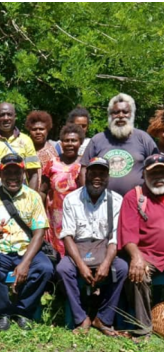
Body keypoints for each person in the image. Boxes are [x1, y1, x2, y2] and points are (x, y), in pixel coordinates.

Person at [0, 154, 53, 332]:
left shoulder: (33, 197)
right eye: (7, 172)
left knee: (44, 268)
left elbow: (39, 232)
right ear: (0, 175)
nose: (12, 177)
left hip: (26, 249)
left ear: (23, 173)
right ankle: (2, 313)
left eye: (16, 172)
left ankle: (23, 311)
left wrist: (25, 263)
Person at [57, 157, 127, 336]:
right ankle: (81, 318)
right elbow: (68, 236)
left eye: (102, 173)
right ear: (85, 175)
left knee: (121, 268)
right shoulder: (72, 199)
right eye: (93, 173)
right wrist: (81, 265)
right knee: (64, 268)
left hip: (103, 249)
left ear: (108, 177)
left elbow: (114, 239)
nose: (97, 177)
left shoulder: (116, 201)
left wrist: (105, 265)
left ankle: (103, 318)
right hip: (79, 249)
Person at [118, 153, 164, 338]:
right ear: (144, 174)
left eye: (162, 172)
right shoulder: (135, 196)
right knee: (139, 274)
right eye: (154, 173)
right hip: (148, 256)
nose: (159, 177)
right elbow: (127, 234)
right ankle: (143, 329)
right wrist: (136, 257)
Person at [80, 93, 158, 195]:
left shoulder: (143, 138)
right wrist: (86, 197)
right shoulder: (98, 139)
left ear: (132, 114)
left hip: (136, 204)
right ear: (110, 115)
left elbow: (157, 167)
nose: (121, 116)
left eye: (125, 112)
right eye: (116, 112)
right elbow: (84, 169)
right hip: (101, 204)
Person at [40, 124, 83, 257]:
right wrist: (39, 214)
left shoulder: (84, 165)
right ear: (61, 143)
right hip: (55, 218)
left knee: (75, 251)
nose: (70, 144)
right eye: (66, 140)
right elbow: (43, 190)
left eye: (74, 140)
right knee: (55, 253)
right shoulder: (52, 163)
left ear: (80, 142)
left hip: (77, 216)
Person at [25, 110, 58, 191]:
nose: (38, 132)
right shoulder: (23, 149)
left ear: (47, 130)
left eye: (41, 129)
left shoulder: (52, 152)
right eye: (34, 129)